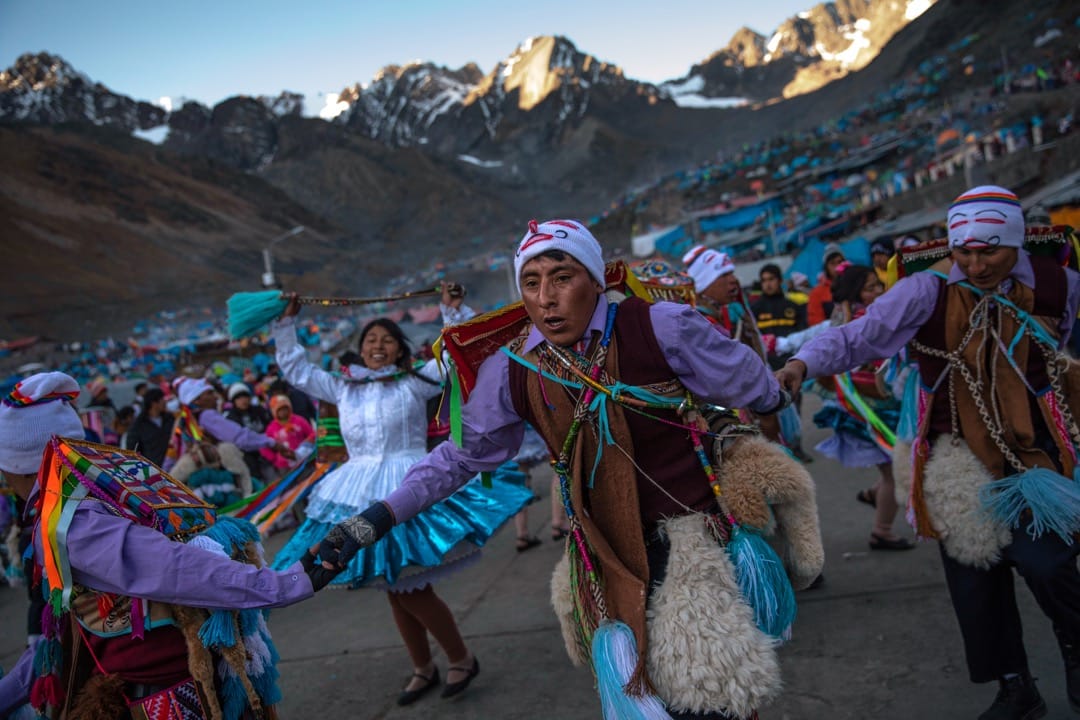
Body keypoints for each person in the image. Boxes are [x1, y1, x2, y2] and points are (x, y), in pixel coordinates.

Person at [317, 219, 823, 719]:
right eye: (531, 283)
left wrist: (779, 389)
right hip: (605, 557)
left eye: (562, 277)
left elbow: (751, 387)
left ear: (595, 278)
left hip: (693, 543)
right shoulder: (515, 367)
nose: (545, 298)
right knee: (650, 697)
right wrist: (377, 518)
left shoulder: (661, 326)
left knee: (717, 698)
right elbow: (460, 455)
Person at [776, 186, 1080, 719]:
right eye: (964, 252)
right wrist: (803, 364)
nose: (975, 263)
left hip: (1036, 455)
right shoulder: (925, 290)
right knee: (974, 575)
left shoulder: (1059, 284)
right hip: (956, 458)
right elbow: (859, 337)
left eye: (990, 251)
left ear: (1016, 243)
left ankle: (1076, 651)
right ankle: (1015, 686)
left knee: (1049, 562)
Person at [0, 372, 327, 719]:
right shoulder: (102, 492)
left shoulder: (75, 523)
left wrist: (285, 584)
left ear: (19, 467)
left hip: (167, 692)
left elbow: (175, 566)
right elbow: (67, 630)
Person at [269, 284, 533, 706]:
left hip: (409, 486)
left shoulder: (414, 381)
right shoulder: (342, 386)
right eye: (371, 340)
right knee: (393, 585)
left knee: (409, 586)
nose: (378, 345)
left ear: (399, 348)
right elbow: (297, 371)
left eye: (387, 339)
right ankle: (423, 666)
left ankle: (460, 657)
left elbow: (453, 358)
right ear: (360, 348)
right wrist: (286, 325)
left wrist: (452, 312)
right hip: (355, 490)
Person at [808, 263, 912, 551]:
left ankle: (874, 495)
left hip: (873, 404)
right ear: (856, 292)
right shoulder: (864, 319)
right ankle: (882, 531)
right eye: (871, 288)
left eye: (879, 285)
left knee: (893, 467)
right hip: (872, 408)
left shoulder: (843, 315)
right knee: (895, 470)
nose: (878, 291)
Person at [168, 378, 293, 499]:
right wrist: (271, 443)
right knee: (228, 449)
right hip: (210, 476)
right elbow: (239, 437)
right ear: (197, 400)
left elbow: (172, 453)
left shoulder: (184, 420)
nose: (215, 397)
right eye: (209, 393)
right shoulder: (206, 416)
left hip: (195, 481)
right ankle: (247, 493)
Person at [751, 263, 808, 370]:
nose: (767, 284)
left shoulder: (794, 306)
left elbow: (803, 331)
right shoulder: (754, 309)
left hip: (793, 360)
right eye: (764, 280)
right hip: (766, 364)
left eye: (771, 279)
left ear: (780, 281)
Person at [224, 382, 276, 484]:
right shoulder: (230, 419)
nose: (243, 400)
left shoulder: (259, 410)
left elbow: (270, 426)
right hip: (248, 456)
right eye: (239, 398)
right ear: (234, 401)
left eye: (245, 397)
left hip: (268, 450)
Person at [262, 394, 315, 471]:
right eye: (280, 410)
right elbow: (264, 446)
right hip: (284, 464)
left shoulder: (299, 420)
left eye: (285, 409)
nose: (283, 412)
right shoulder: (271, 428)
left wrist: (308, 442)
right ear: (274, 412)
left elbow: (312, 433)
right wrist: (274, 459)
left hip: (303, 457)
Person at [123, 387, 172, 466]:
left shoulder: (169, 419)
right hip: (154, 469)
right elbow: (132, 452)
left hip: (173, 464)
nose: (165, 402)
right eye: (162, 399)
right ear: (154, 403)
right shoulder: (138, 426)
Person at [807, 244, 845, 326]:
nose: (837, 267)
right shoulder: (817, 293)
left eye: (839, 262)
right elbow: (816, 322)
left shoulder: (854, 283)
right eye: (832, 263)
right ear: (826, 267)